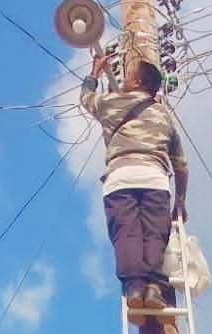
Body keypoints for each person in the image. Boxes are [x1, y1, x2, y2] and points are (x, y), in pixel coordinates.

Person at [80, 52, 189, 313]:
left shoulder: (113, 104)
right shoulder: (164, 116)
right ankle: (154, 288)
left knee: (126, 233)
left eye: (128, 75)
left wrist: (95, 71)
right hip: (155, 178)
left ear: (139, 82)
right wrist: (180, 201)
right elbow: (181, 165)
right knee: (155, 233)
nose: (124, 78)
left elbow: (86, 99)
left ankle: (135, 288)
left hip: (121, 178)